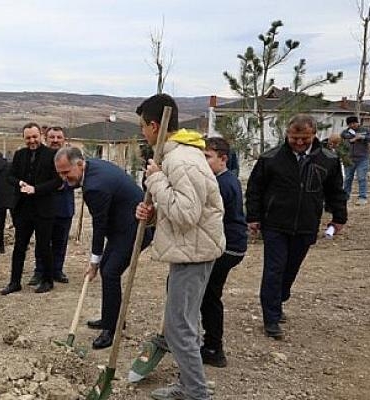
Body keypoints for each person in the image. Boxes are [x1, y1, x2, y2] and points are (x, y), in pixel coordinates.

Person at [134, 94, 225, 400]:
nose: (142, 133)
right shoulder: (177, 156)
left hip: (193, 252)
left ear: (155, 125)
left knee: (178, 327)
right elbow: (181, 209)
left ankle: (195, 392)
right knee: (185, 322)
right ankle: (190, 384)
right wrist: (152, 214)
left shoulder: (180, 159)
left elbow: (186, 215)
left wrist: (156, 181)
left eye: (143, 127)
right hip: (189, 248)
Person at [246, 114, 347, 340]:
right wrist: (253, 217)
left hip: (306, 225)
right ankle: (271, 319)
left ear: (314, 135)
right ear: (287, 135)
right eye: (294, 138)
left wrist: (339, 217)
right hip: (275, 225)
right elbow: (255, 190)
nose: (299, 142)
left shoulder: (328, 160)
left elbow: (336, 192)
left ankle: (279, 299)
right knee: (274, 269)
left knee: (291, 269)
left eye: (304, 138)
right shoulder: (270, 158)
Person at [54, 147, 150, 350]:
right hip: (122, 227)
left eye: (66, 173)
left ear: (79, 164)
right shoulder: (93, 167)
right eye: (60, 173)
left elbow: (99, 225)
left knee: (110, 272)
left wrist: (94, 262)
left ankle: (111, 329)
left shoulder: (94, 187)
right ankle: (111, 318)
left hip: (135, 229)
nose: (64, 178)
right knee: (109, 269)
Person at [199, 137, 248, 368]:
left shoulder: (222, 184)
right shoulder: (224, 179)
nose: (203, 161)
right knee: (208, 294)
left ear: (223, 158)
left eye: (207, 157)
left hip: (227, 247)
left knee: (208, 296)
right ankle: (210, 344)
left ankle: (213, 348)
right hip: (227, 245)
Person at [0, 122, 63, 295]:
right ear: (24, 138)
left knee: (44, 246)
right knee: (19, 246)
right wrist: (19, 183)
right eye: (28, 138)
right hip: (23, 209)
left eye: (34, 137)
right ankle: (14, 282)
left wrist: (36, 189)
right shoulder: (20, 155)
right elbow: (9, 176)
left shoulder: (52, 155)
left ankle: (47, 280)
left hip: (44, 209)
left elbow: (57, 181)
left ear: (41, 136)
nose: (32, 140)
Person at [31, 126, 73, 285]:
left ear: (64, 140)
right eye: (52, 137)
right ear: (46, 139)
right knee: (42, 242)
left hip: (64, 208)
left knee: (60, 242)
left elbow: (78, 180)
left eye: (58, 137)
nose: (55, 140)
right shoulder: (39, 158)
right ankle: (39, 271)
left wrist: (66, 184)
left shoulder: (71, 157)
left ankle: (57, 270)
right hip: (43, 208)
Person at [340, 116, 370, 205]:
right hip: (349, 159)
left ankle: (362, 197)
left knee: (362, 178)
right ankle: (346, 197)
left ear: (358, 122)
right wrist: (351, 141)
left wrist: (363, 137)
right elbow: (342, 143)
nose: (353, 125)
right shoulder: (345, 133)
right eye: (350, 124)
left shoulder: (365, 130)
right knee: (348, 178)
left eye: (354, 123)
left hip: (362, 158)